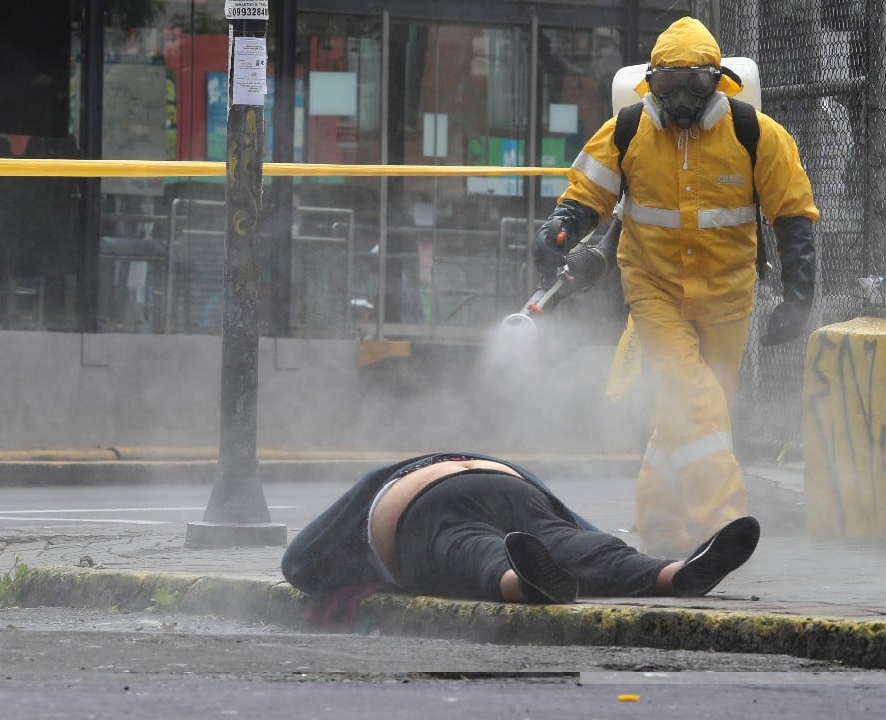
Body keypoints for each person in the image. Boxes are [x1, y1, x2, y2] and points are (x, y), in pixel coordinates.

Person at [532, 17, 819, 556]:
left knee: (694, 413)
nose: (682, 100)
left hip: (728, 296)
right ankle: (725, 523)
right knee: (694, 398)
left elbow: (793, 213)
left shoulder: (756, 134)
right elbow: (587, 195)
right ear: (650, 84)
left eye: (695, 86)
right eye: (667, 88)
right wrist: (560, 227)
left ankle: (660, 525)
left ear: (719, 82)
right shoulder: (627, 131)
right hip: (654, 289)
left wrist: (799, 293)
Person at [281, 451, 760, 604]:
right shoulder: (482, 459)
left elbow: (298, 562)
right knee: (577, 545)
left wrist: (364, 577)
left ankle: (521, 583)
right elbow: (571, 525)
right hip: (515, 486)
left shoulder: (385, 479)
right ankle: (671, 573)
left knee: (468, 551)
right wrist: (620, 554)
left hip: (423, 504)